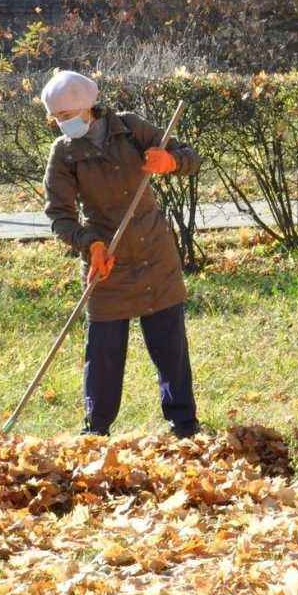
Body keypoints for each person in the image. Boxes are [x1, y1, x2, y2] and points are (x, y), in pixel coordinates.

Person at [41, 70, 202, 438]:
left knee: (170, 347)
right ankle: (96, 430)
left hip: (154, 254)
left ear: (88, 108)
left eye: (66, 117)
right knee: (104, 353)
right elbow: (59, 216)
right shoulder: (64, 153)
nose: (62, 125)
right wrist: (90, 244)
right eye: (57, 119)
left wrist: (170, 162)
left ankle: (185, 425)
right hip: (107, 262)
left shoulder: (131, 129)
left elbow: (188, 156)